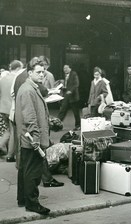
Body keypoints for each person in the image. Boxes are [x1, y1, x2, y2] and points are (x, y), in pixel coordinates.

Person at [15, 57, 51, 215]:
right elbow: (30, 118)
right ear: (30, 73)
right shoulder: (29, 90)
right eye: (38, 72)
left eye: (43, 72)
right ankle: (32, 203)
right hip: (31, 139)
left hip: (27, 137)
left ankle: (23, 199)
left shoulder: (29, 87)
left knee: (25, 169)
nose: (42, 74)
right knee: (33, 172)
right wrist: (36, 141)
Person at [0, 60, 23, 162]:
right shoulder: (16, 79)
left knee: (7, 130)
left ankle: (3, 146)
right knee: (13, 131)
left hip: (2, 107)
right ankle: (10, 155)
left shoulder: (3, 78)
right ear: (18, 68)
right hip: (11, 108)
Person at [57, 64, 80, 131]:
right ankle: (57, 125)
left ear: (70, 68)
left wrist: (71, 90)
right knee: (62, 110)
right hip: (66, 96)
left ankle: (78, 126)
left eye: (66, 68)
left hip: (73, 96)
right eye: (64, 68)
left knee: (76, 112)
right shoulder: (64, 76)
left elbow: (76, 84)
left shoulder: (74, 74)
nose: (65, 69)